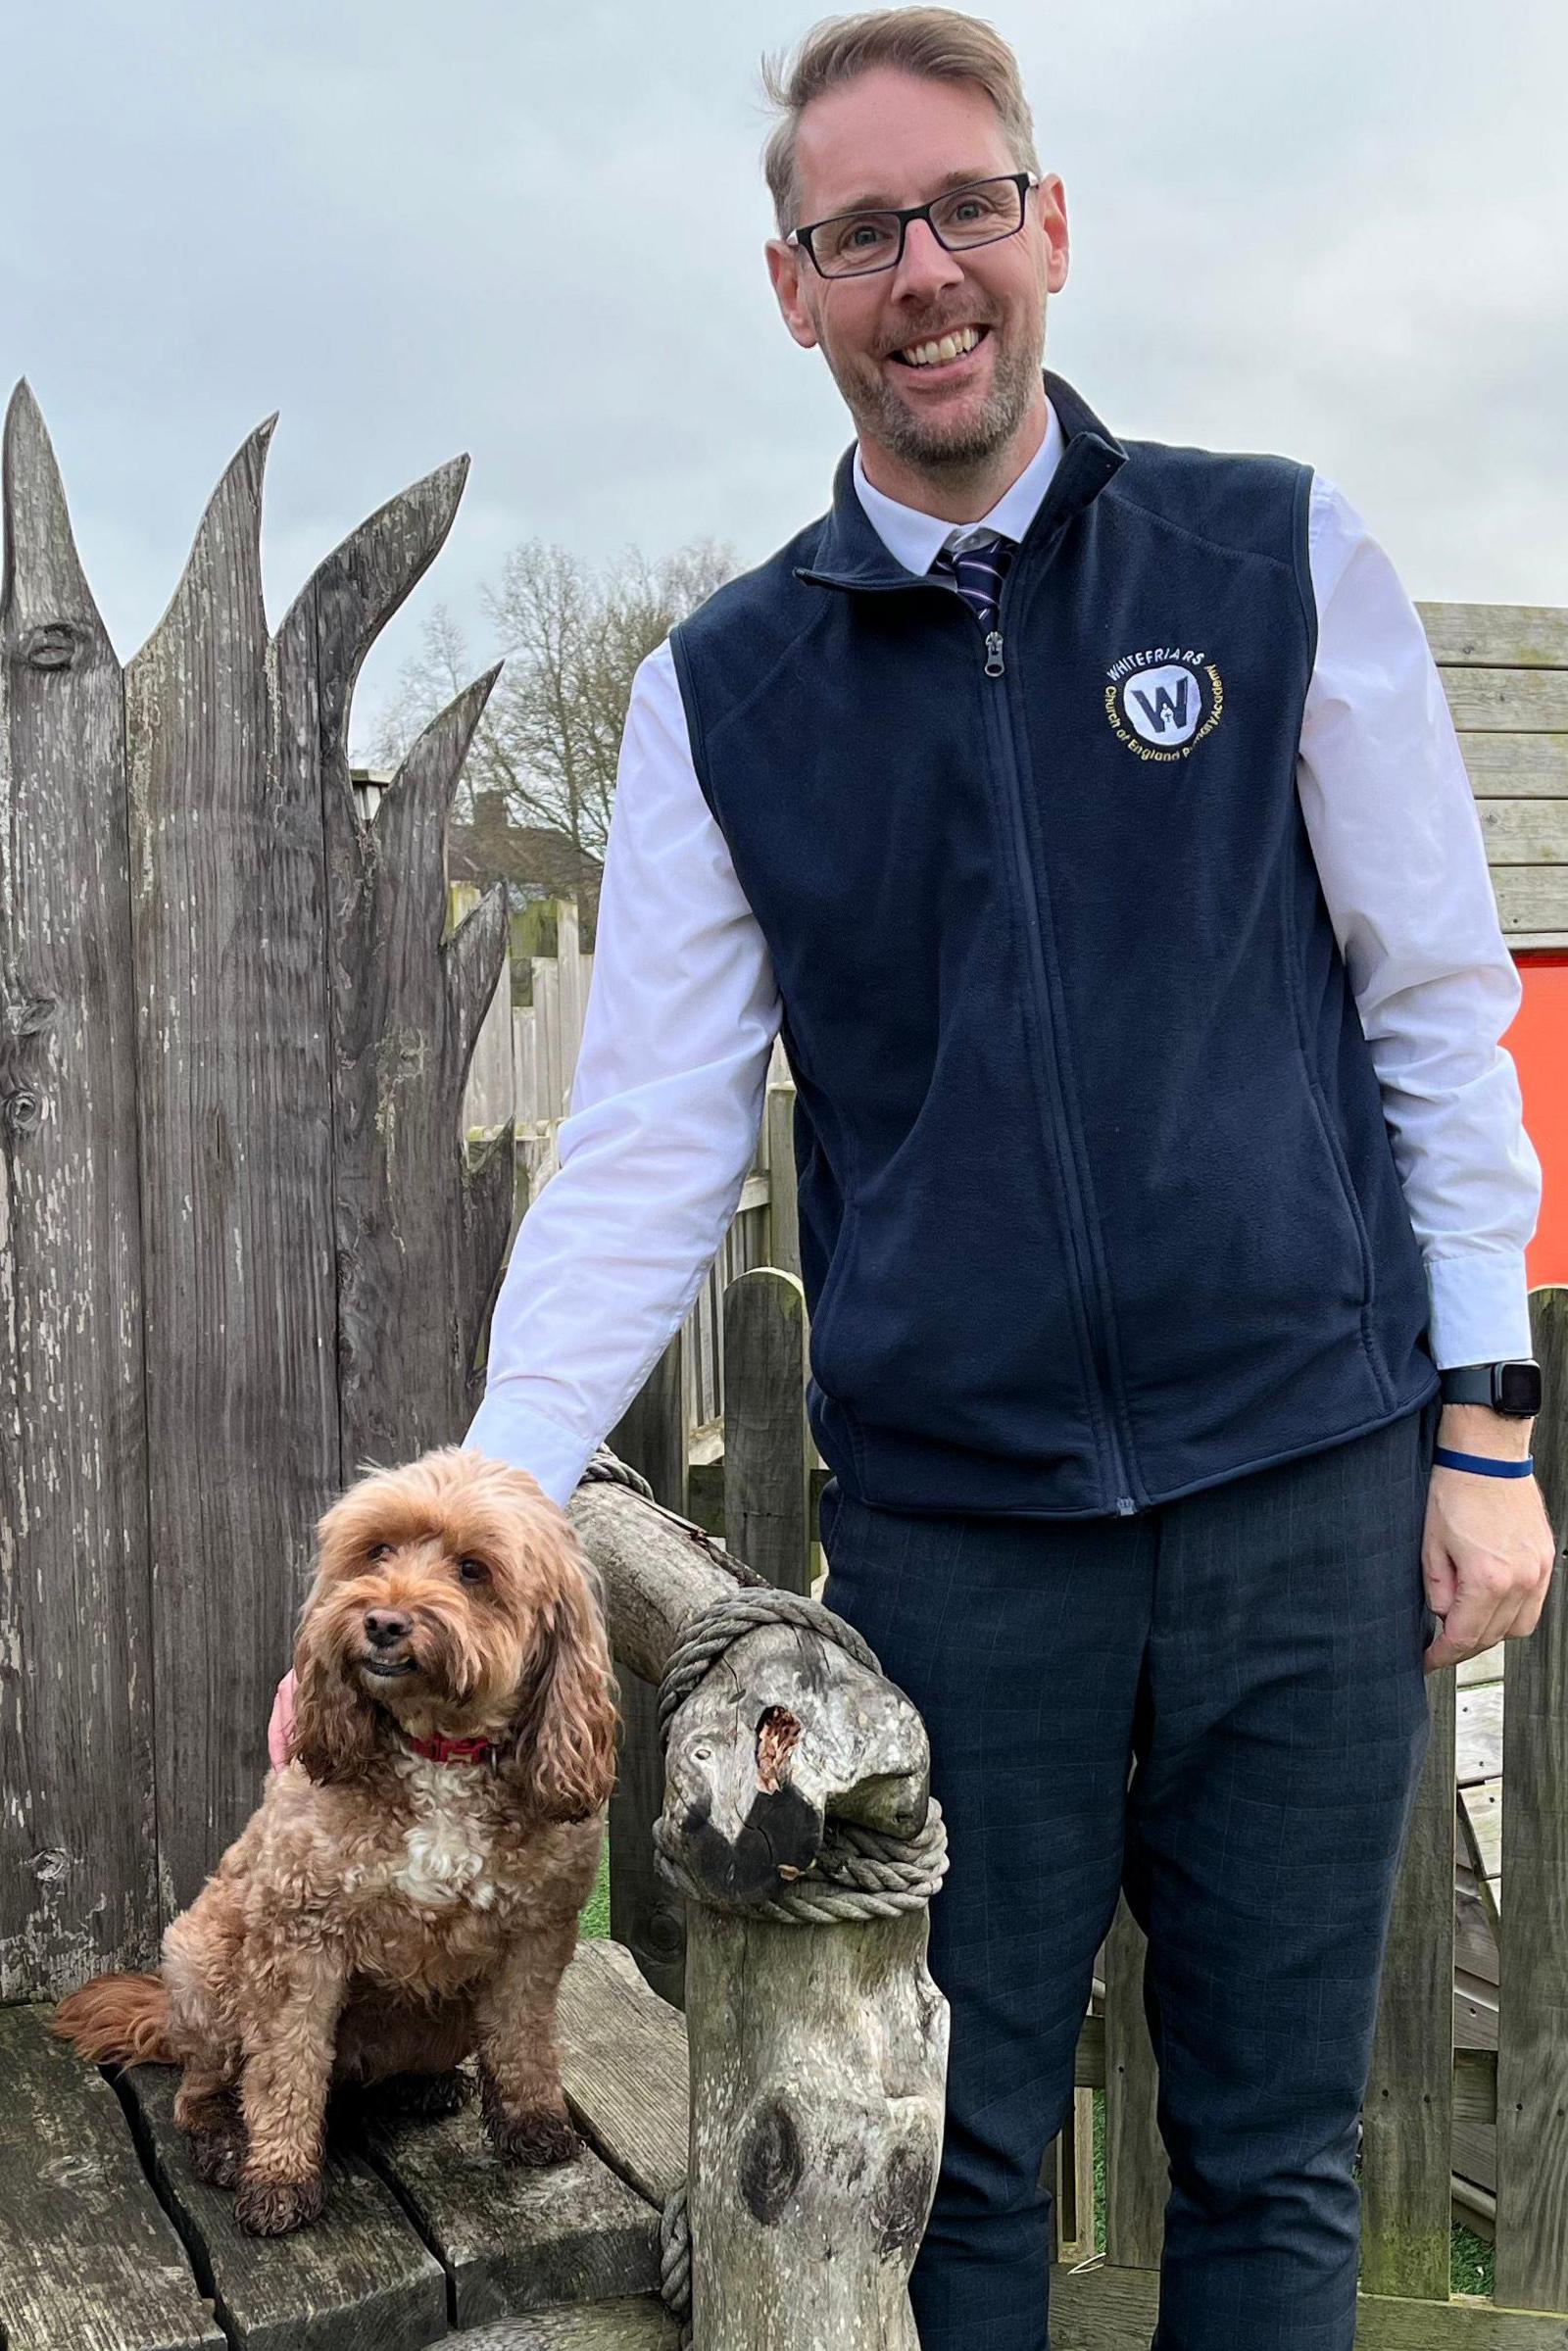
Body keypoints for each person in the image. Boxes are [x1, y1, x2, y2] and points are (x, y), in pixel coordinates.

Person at [272, 11, 1557, 2345]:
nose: (923, 270)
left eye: (964, 206)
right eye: (858, 231)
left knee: (1267, 2161)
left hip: (1306, 1481)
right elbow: (650, 1139)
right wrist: (479, 1507)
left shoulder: (1269, 554)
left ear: (1045, 227)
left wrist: (1481, 1430)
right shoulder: (720, 693)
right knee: (943, 2145)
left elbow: (1428, 1007)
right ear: (791, 288)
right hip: (964, 1547)